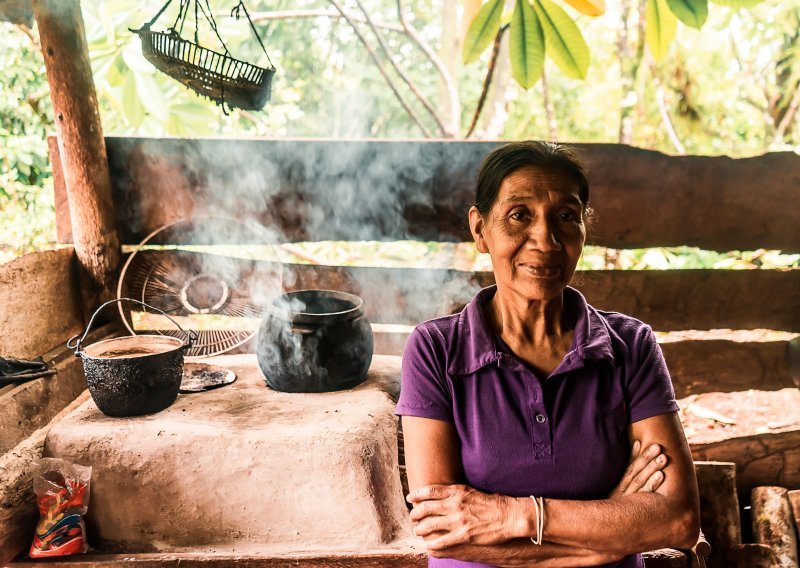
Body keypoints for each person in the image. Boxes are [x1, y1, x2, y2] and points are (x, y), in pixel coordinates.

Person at [395, 141, 700, 567]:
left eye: (566, 217)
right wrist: (607, 539)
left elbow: (679, 520)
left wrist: (514, 515)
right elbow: (442, 534)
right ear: (480, 230)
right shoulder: (436, 349)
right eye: (520, 215)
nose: (545, 239)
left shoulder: (630, 346)